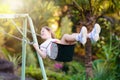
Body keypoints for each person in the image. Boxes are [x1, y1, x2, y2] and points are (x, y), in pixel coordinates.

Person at [33, 23, 101, 58]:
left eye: (43, 31)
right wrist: (37, 48)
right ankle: (81, 37)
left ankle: (91, 35)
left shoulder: (54, 40)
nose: (41, 32)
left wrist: (58, 42)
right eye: (41, 31)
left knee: (73, 35)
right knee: (65, 36)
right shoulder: (42, 45)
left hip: (63, 50)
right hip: (58, 53)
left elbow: (60, 43)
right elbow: (43, 56)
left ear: (49, 32)